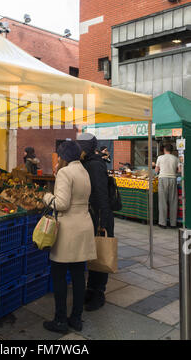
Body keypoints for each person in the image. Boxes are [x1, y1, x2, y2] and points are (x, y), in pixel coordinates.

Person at [42, 140, 96, 334]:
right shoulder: (83, 170)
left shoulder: (65, 172)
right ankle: (76, 318)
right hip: (83, 225)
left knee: (58, 275)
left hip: (68, 230)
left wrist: (47, 197)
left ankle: (60, 320)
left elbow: (62, 203)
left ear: (63, 157)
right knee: (78, 275)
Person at [77, 133, 114, 311]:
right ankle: (91, 290)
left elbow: (100, 194)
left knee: (100, 253)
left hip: (100, 215)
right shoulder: (87, 163)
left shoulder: (94, 165)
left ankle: (98, 293)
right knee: (93, 253)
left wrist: (103, 220)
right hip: (93, 214)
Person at [155, 143, 181, 228]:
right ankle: (173, 223)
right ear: (171, 150)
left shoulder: (160, 158)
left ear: (164, 150)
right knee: (173, 201)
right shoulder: (176, 158)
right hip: (173, 179)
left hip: (163, 179)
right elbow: (179, 170)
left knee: (163, 201)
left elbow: (156, 170)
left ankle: (163, 223)